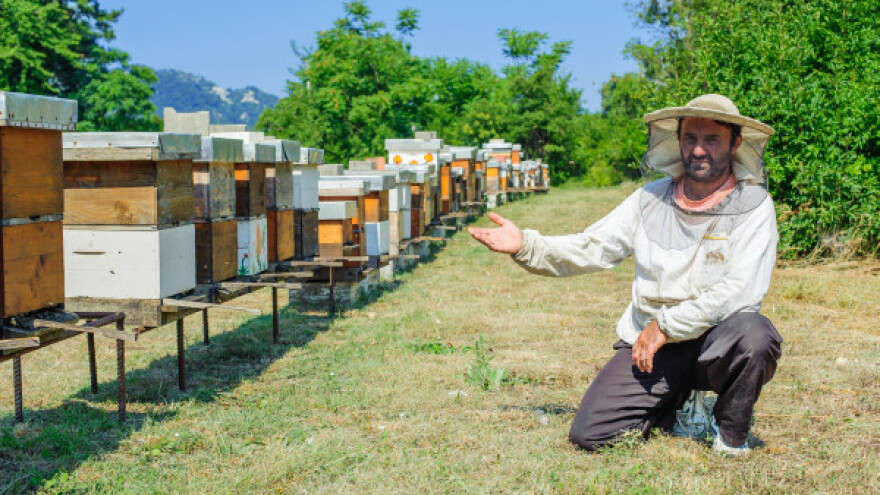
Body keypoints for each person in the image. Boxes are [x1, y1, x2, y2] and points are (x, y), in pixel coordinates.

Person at [468, 94, 782, 456]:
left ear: (735, 143)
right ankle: (679, 405)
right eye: (690, 139)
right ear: (677, 140)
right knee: (591, 433)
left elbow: (740, 292)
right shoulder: (648, 200)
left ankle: (730, 432)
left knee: (755, 335)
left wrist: (666, 324)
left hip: (716, 342)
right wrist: (526, 245)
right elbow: (592, 246)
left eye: (711, 140)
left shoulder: (754, 206)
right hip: (652, 345)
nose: (698, 150)